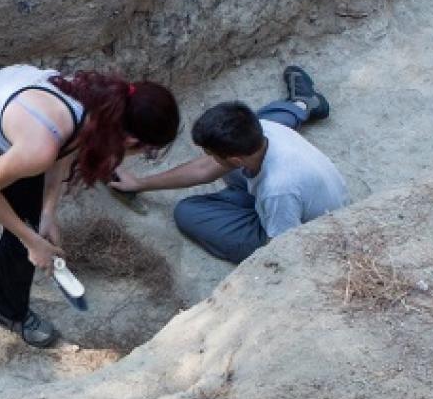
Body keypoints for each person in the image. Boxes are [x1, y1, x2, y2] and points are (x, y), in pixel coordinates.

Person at [0, 65, 179, 347]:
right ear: (131, 140)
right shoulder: (42, 144)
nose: (143, 155)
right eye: (148, 150)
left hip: (16, 140)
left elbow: (64, 150)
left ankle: (10, 310)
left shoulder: (101, 108)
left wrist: (47, 213)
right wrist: (33, 242)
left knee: (32, 226)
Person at [112, 66, 346, 263]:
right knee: (260, 119)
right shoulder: (264, 129)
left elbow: (285, 249)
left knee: (188, 213)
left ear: (235, 160)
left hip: (305, 225)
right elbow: (204, 170)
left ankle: (299, 107)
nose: (208, 160)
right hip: (299, 190)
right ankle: (302, 105)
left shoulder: (277, 191)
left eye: (212, 155)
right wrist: (140, 183)